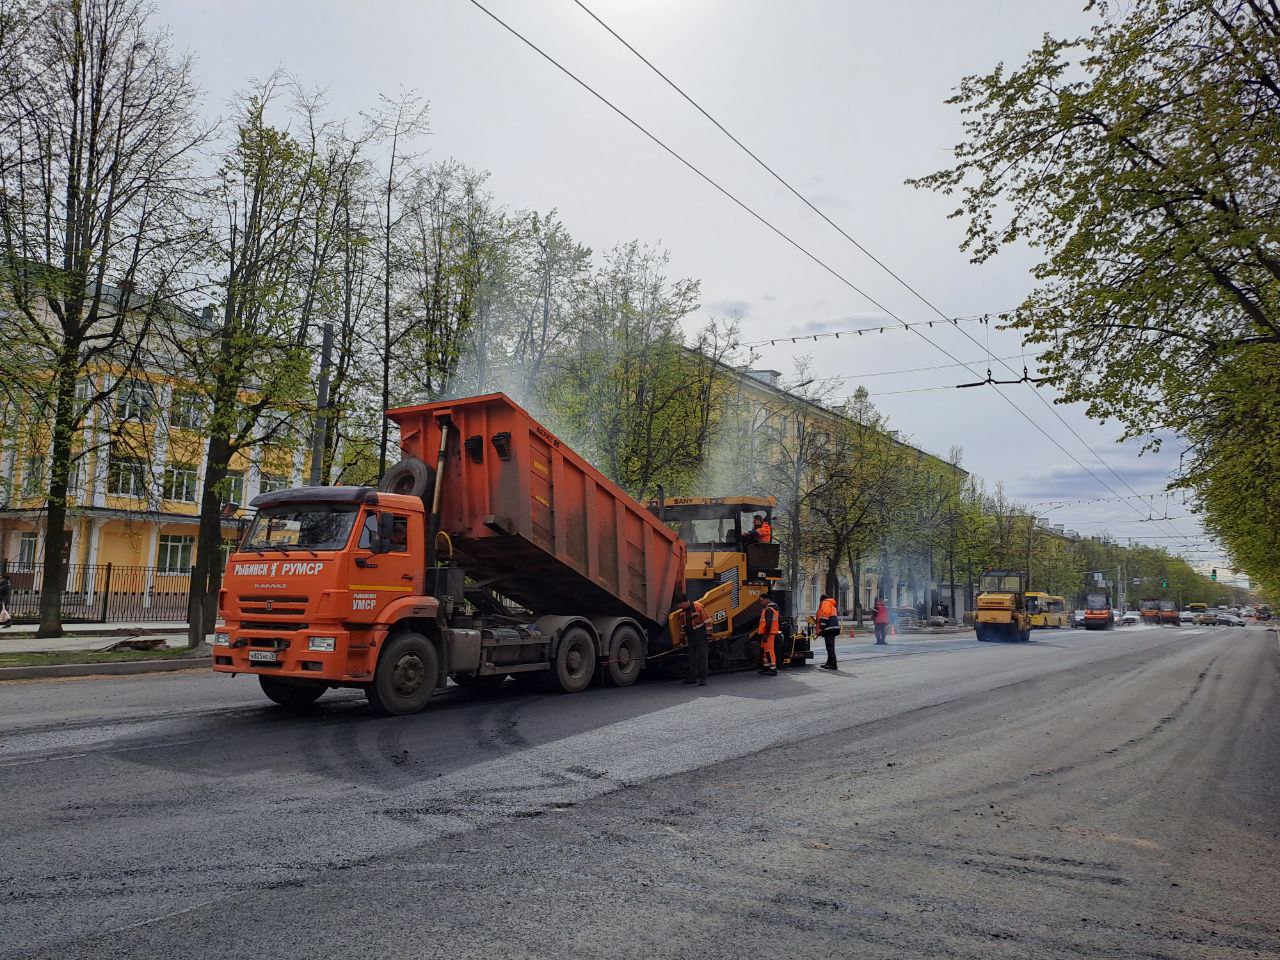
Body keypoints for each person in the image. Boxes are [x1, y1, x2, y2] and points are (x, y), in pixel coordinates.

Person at [677, 593, 709, 687]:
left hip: (701, 635)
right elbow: (683, 628)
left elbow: (707, 621)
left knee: (703, 657)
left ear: (685, 602)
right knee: (692, 657)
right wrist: (682, 641)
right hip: (691, 637)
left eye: (680, 604)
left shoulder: (698, 607)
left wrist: (709, 636)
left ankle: (703, 679)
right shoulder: (682, 613)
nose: (679, 606)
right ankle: (693, 678)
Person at [755, 597, 780, 675]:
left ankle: (773, 669)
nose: (760, 602)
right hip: (769, 633)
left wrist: (766, 634)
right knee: (766, 651)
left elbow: (768, 624)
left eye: (761, 600)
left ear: (766, 600)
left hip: (768, 633)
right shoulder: (773, 609)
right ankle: (766, 667)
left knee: (769, 651)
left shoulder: (769, 610)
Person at [817, 593, 839, 669]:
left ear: (821, 600)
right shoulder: (831, 604)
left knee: (829, 646)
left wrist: (822, 625)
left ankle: (833, 664)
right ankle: (829, 662)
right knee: (830, 646)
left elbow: (826, 613)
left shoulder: (825, 603)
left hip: (829, 628)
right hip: (833, 627)